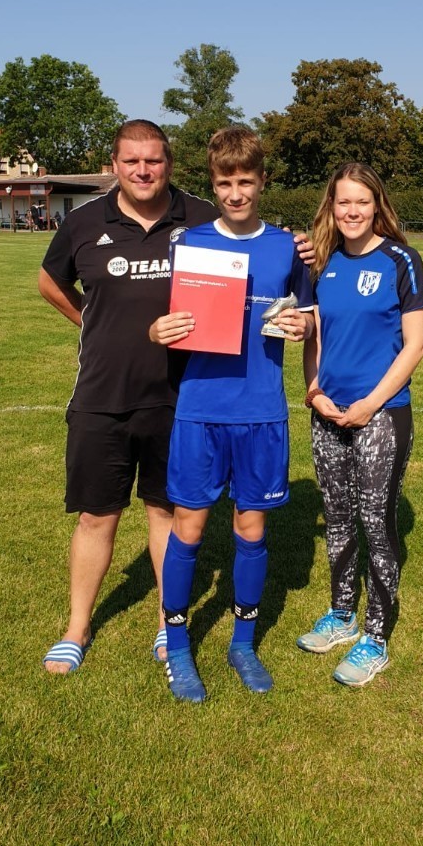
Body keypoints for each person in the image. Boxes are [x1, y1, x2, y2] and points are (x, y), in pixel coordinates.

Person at [39, 120, 312, 674]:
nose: (143, 170)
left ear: (169, 164)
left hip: (176, 395)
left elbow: (269, 258)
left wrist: (299, 248)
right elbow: (49, 282)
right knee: (96, 515)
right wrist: (93, 322)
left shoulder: (197, 220)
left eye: (154, 160)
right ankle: (77, 627)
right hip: (105, 391)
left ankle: (171, 625)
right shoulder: (86, 221)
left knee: (165, 510)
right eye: (132, 161)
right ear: (115, 164)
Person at [150, 127, 313, 702]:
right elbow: (166, 316)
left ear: (263, 181)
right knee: (189, 528)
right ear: (213, 184)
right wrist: (159, 329)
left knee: (251, 528)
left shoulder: (288, 249)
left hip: (262, 411)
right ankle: (177, 645)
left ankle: (242, 643)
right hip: (201, 410)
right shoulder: (189, 244)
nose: (236, 193)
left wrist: (302, 324)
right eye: (225, 183)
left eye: (246, 181)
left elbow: (307, 314)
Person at [298, 162, 423, 687]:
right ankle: (342, 615)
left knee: (375, 522)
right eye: (343, 202)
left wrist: (371, 404)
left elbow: (415, 345)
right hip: (328, 413)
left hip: (382, 415)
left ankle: (375, 637)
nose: (352, 211)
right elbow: (314, 338)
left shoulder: (402, 259)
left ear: (377, 205)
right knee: (337, 518)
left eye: (362, 201)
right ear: (331, 206)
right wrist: (314, 392)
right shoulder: (322, 262)